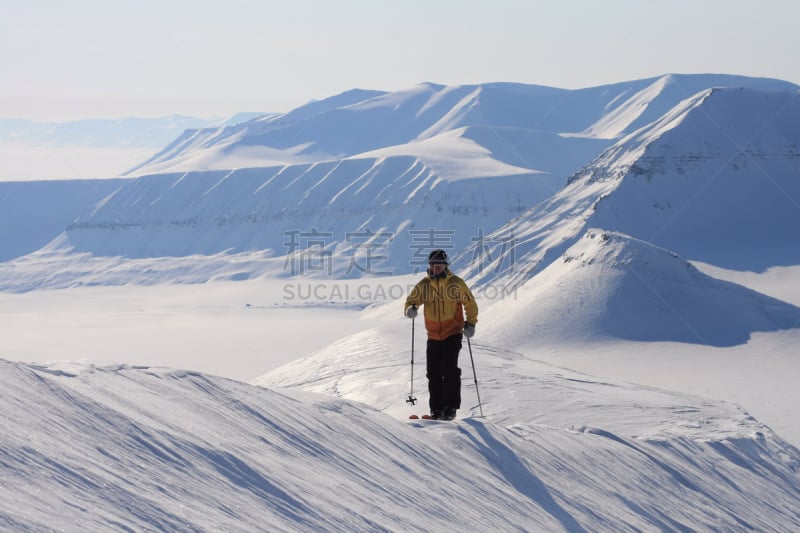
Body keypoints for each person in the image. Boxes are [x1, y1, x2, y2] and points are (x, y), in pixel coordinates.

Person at [404, 249, 478, 420]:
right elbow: (411, 300)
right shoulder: (424, 285)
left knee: (449, 369)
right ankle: (436, 410)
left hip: (453, 332)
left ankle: (450, 407)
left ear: (445, 265)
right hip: (433, 335)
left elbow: (470, 303)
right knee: (433, 373)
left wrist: (471, 323)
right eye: (433, 264)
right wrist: (410, 309)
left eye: (439, 264)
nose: (436, 267)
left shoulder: (456, 283)